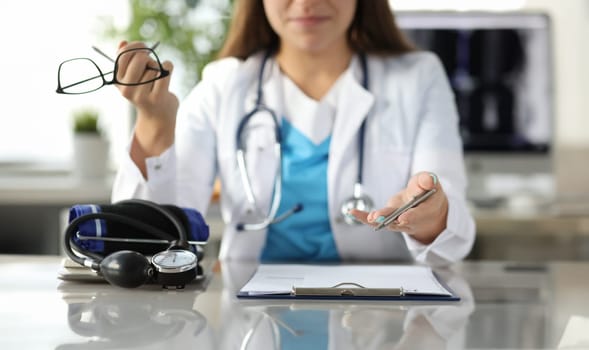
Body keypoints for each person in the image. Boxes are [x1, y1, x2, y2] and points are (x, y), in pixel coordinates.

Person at [111, 0, 475, 265]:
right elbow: (156, 239)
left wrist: (432, 217)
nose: (306, 3)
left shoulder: (418, 77)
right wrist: (155, 121)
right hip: (255, 319)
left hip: (381, 321)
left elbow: (453, 238)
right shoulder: (225, 85)